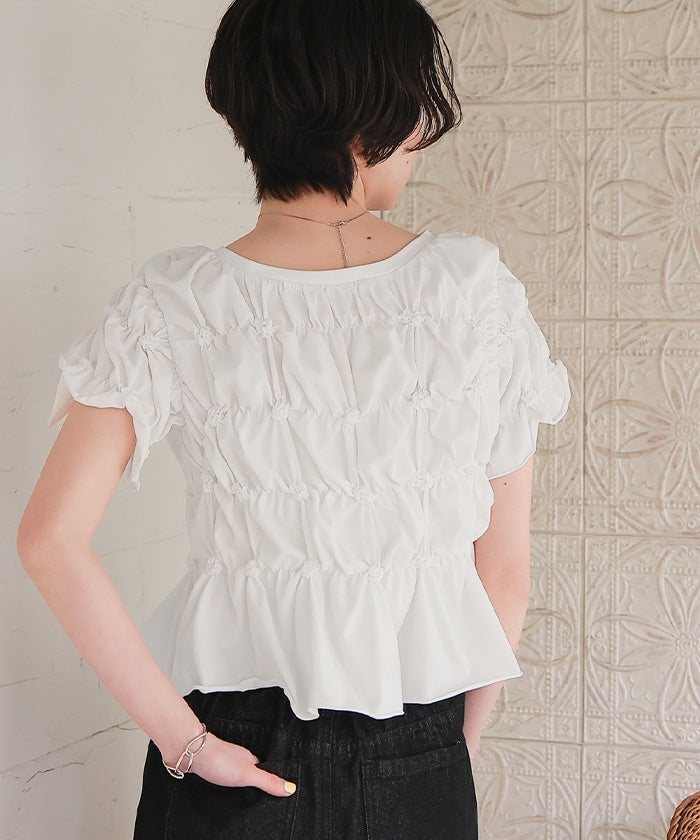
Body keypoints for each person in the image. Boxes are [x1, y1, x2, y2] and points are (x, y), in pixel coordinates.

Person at [16, 0, 572, 838]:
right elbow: (505, 572)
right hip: (417, 742)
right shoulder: (473, 290)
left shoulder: (175, 300)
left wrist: (186, 743)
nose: (418, 138)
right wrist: (447, 753)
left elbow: (49, 540)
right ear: (370, 117)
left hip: (230, 746)